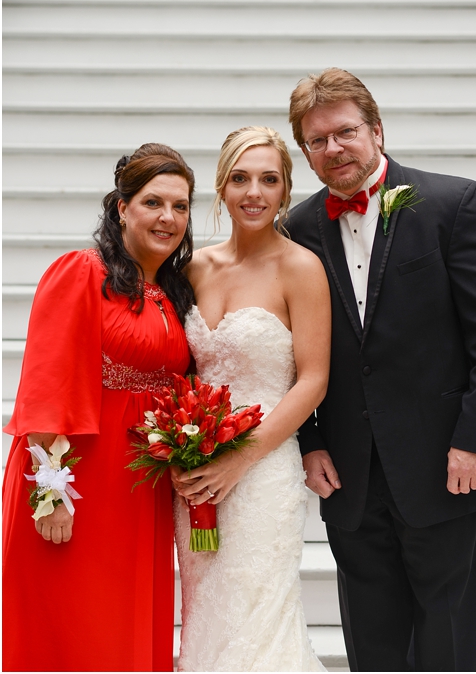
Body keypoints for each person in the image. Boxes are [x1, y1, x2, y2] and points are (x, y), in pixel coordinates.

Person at [286, 68, 476, 672]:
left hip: (441, 462)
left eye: (344, 132)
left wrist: (473, 440)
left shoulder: (453, 202)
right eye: (317, 141)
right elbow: (291, 354)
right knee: (371, 639)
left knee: (450, 631)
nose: (333, 149)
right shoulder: (296, 228)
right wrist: (312, 440)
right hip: (349, 471)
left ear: (376, 129)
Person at [2, 144, 195, 671]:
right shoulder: (82, 272)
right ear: (121, 208)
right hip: (77, 475)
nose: (168, 218)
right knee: (75, 624)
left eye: (180, 206)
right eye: (153, 202)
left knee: (121, 625)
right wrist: (50, 492)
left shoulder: (170, 291)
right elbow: (47, 380)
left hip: (139, 485)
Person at [169, 126, 331, 671]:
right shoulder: (193, 268)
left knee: (258, 620)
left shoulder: (301, 268)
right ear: (221, 186)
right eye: (240, 178)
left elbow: (312, 379)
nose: (253, 192)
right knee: (205, 613)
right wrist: (181, 450)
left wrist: (240, 457)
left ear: (286, 190)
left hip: (261, 471)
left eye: (268, 179)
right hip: (196, 471)